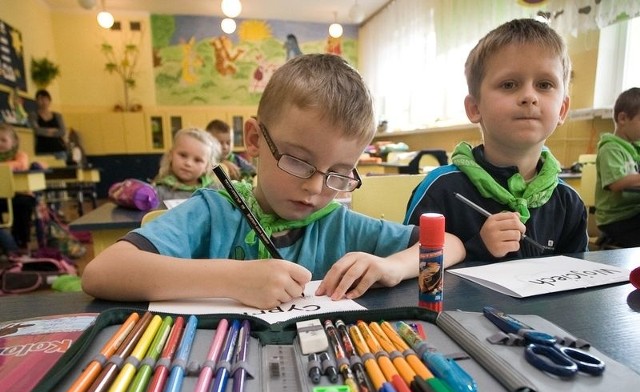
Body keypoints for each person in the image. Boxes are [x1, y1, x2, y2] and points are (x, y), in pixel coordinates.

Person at [82, 54, 465, 309]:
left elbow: (449, 243)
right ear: (253, 142)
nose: (317, 189)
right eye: (298, 161)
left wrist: (391, 267)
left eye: (339, 173)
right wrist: (232, 279)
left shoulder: (336, 222)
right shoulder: (215, 211)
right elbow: (102, 273)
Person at [404, 18, 587, 262]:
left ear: (562, 110)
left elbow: (578, 284)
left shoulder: (568, 201)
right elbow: (410, 274)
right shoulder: (441, 190)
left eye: (544, 84)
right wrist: (477, 249)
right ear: (474, 107)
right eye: (509, 84)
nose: (529, 96)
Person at [594, 87, 640, 247]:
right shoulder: (610, 148)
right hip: (616, 218)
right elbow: (616, 183)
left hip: (633, 213)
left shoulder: (634, 147)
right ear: (622, 118)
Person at [152, 127, 222, 203]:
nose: (188, 163)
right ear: (171, 155)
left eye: (197, 160)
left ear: (207, 166)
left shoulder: (215, 192)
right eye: (183, 155)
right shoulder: (157, 192)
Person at [0, 123, 38, 251]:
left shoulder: (20, 155)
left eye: (3, 140)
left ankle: (22, 242)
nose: (0, 143)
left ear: (14, 142)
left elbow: (21, 165)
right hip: (2, 197)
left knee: (24, 204)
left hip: (21, 195)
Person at [28, 89, 68, 160]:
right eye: (40, 99)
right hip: (42, 151)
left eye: (45, 99)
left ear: (49, 101)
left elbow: (62, 131)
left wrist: (45, 131)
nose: (43, 101)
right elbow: (36, 130)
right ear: (36, 101)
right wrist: (53, 130)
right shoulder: (33, 115)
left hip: (59, 150)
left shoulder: (57, 115)